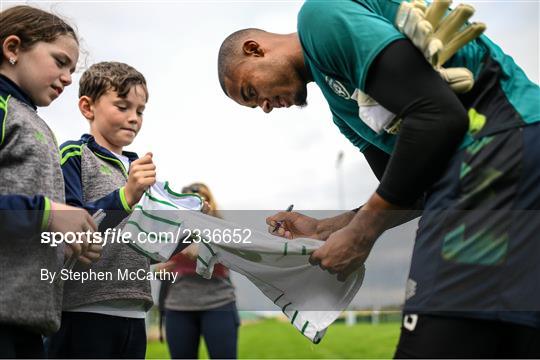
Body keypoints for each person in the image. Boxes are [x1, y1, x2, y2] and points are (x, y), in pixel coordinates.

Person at [217, 0, 540, 357]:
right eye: (253, 105)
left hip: (498, 142)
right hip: (495, 170)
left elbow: (437, 115)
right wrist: (328, 228)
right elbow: (410, 193)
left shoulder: (319, 18)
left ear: (254, 49)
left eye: (250, 92)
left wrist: (361, 235)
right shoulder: (343, 113)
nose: (263, 106)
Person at [0, 5, 102, 358]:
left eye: (72, 69)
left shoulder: (34, 121)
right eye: (60, 62)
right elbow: (40, 212)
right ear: (12, 48)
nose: (68, 77)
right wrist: (47, 213)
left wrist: (65, 241)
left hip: (29, 322)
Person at [47, 61, 157, 358]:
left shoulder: (138, 169)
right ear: (87, 107)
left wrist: (188, 234)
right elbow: (69, 229)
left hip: (135, 311)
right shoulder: (74, 155)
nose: (134, 118)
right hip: (83, 310)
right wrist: (125, 196)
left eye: (140, 110)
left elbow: (142, 244)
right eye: (122, 106)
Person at [158, 182, 239, 359]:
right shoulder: (171, 230)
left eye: (202, 200)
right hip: (178, 306)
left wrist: (202, 248)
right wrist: (161, 269)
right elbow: (159, 264)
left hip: (218, 303)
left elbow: (233, 259)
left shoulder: (223, 229)